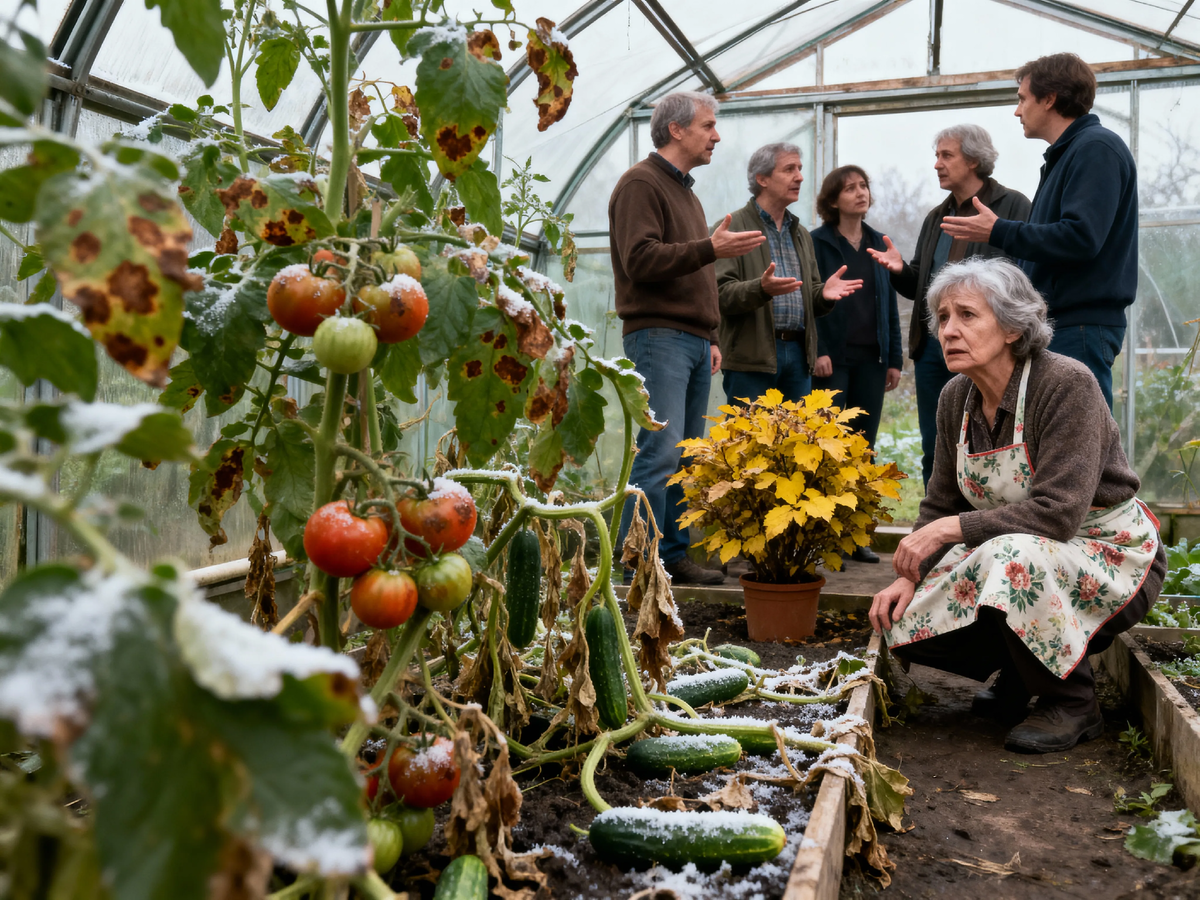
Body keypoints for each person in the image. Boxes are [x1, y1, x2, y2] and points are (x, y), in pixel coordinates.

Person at [870, 258, 1165, 754]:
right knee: (899, 616)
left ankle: (1072, 701)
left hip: (1109, 554)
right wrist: (909, 573)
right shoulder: (954, 398)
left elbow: (1058, 514)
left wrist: (945, 532)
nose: (949, 330)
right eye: (942, 318)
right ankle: (1023, 670)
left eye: (967, 315)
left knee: (1011, 559)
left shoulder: (1065, 384)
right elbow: (941, 500)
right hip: (1026, 551)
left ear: (1011, 326)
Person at [609, 91, 765, 586]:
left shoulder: (687, 193)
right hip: (658, 337)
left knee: (683, 456)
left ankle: (671, 555)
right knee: (659, 452)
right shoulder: (641, 183)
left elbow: (696, 274)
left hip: (691, 340)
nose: (716, 135)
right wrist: (708, 247)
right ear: (676, 129)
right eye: (708, 125)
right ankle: (637, 560)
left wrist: (711, 334)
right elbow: (641, 259)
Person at [941, 53, 1137, 410]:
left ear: (1049, 99)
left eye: (1022, 98)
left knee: (1082, 441)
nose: (1017, 111)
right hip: (1061, 324)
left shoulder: (1095, 148)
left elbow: (1080, 238)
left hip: (1080, 325)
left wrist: (998, 230)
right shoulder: (1065, 155)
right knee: (1054, 440)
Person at [869, 125, 1031, 487]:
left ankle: (981, 528)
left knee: (993, 444)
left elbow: (1022, 281)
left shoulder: (1012, 206)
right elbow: (922, 289)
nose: (937, 164)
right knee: (936, 445)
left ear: (973, 160)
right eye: (936, 156)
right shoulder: (935, 217)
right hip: (934, 350)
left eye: (946, 155)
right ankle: (936, 531)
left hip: (988, 350)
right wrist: (899, 271)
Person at [715, 142, 863, 407]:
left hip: (798, 355)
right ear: (762, 179)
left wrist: (823, 294)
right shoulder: (733, 227)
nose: (800, 177)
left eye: (800, 169)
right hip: (752, 359)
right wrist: (761, 289)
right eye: (789, 169)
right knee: (749, 444)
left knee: (796, 444)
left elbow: (812, 294)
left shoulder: (801, 233)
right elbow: (720, 295)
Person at [811, 165, 903, 564]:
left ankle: (856, 537)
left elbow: (890, 307)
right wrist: (817, 350)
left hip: (872, 359)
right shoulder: (817, 243)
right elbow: (811, 301)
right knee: (829, 448)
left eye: (864, 186)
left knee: (864, 449)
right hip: (833, 360)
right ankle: (823, 538)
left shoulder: (877, 242)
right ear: (833, 200)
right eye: (849, 188)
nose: (860, 193)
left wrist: (894, 358)